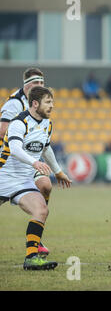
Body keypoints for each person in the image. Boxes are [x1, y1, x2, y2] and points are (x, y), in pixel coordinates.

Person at [0, 86, 72, 270]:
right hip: (3, 177)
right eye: (48, 102)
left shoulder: (47, 124)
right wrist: (34, 163)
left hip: (23, 181)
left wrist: (58, 171)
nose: (52, 106)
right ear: (34, 103)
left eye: (52, 102)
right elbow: (14, 149)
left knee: (41, 210)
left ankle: (31, 258)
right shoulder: (19, 122)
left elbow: (46, 148)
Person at [0, 67, 57, 256]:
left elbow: (45, 143)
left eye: (42, 83)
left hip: (26, 162)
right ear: (26, 85)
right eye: (35, 83)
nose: (39, 86)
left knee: (46, 187)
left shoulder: (44, 113)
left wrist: (57, 170)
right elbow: (3, 131)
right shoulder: (14, 104)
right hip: (9, 160)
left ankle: (36, 241)